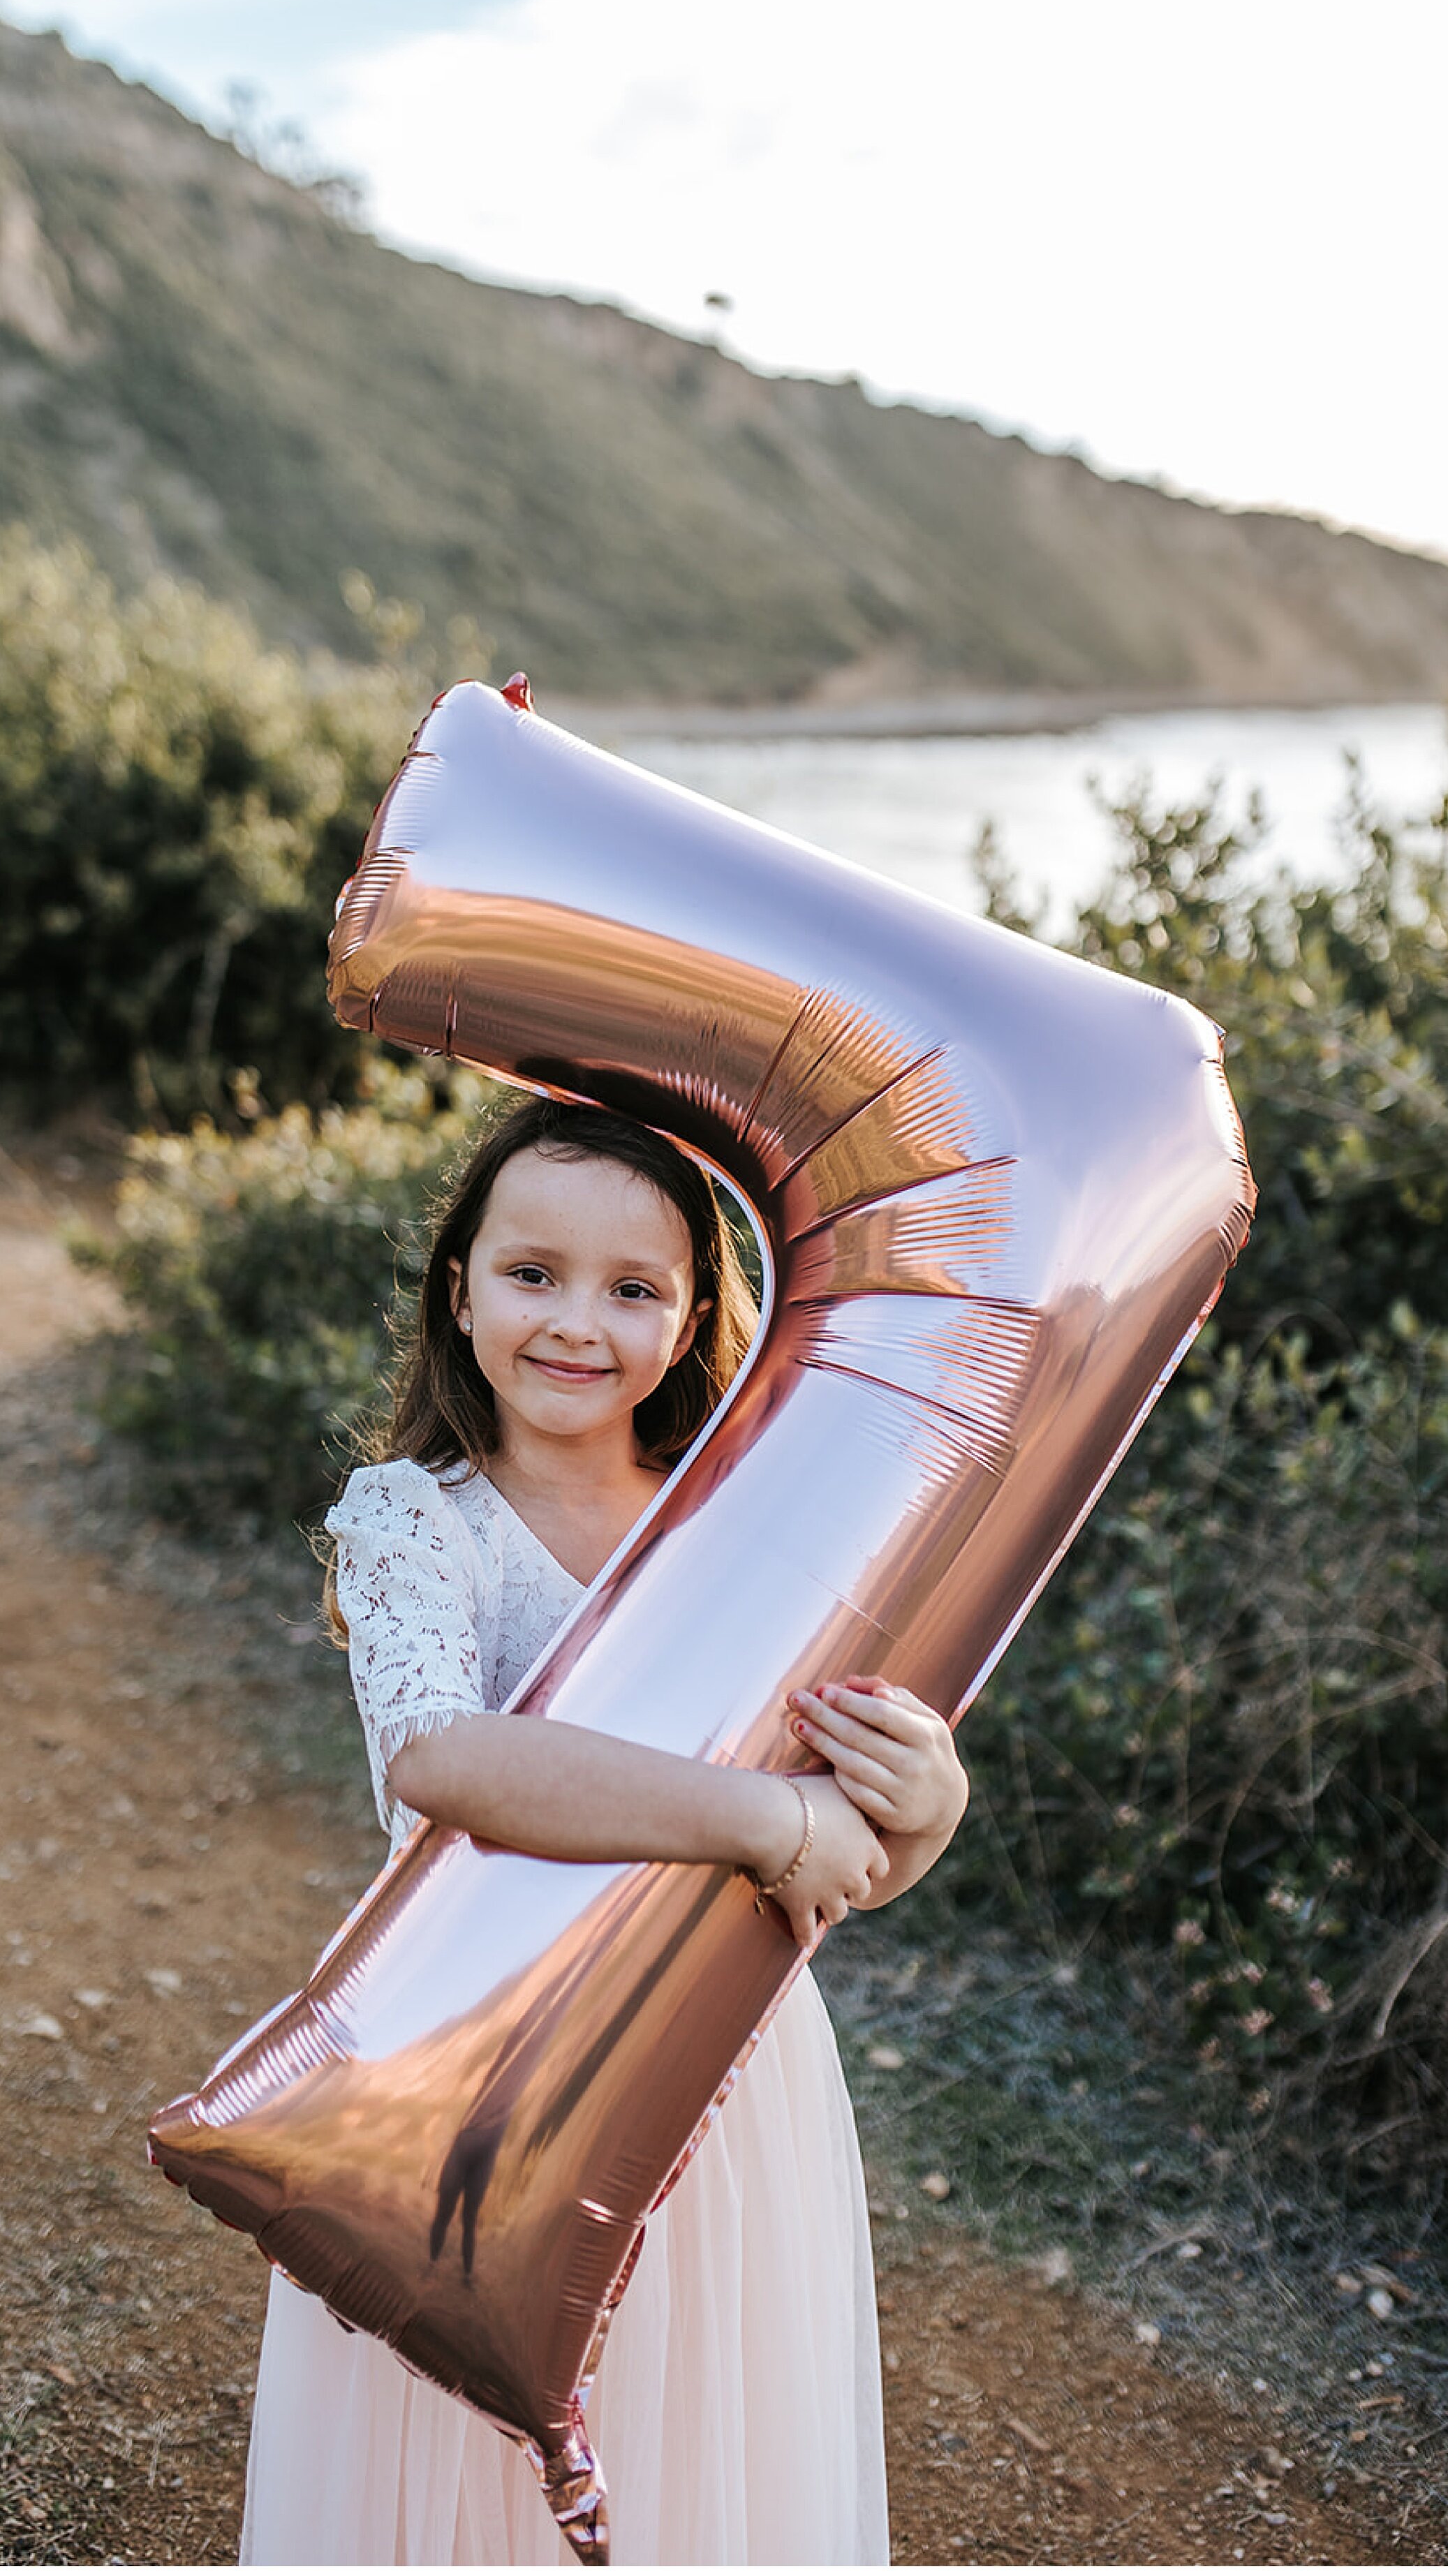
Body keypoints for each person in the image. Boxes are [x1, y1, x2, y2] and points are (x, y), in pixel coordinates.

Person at [239, 1096, 970, 2567]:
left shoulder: (740, 1525)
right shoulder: (412, 1518)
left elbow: (836, 1864)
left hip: (719, 2068)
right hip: (474, 2053)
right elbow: (443, 1758)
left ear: (697, 1311)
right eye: (533, 1273)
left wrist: (923, 1805)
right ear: (460, 1287)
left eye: (633, 1288)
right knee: (460, 2479)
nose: (578, 1321)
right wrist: (761, 1814)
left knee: (702, 2430)